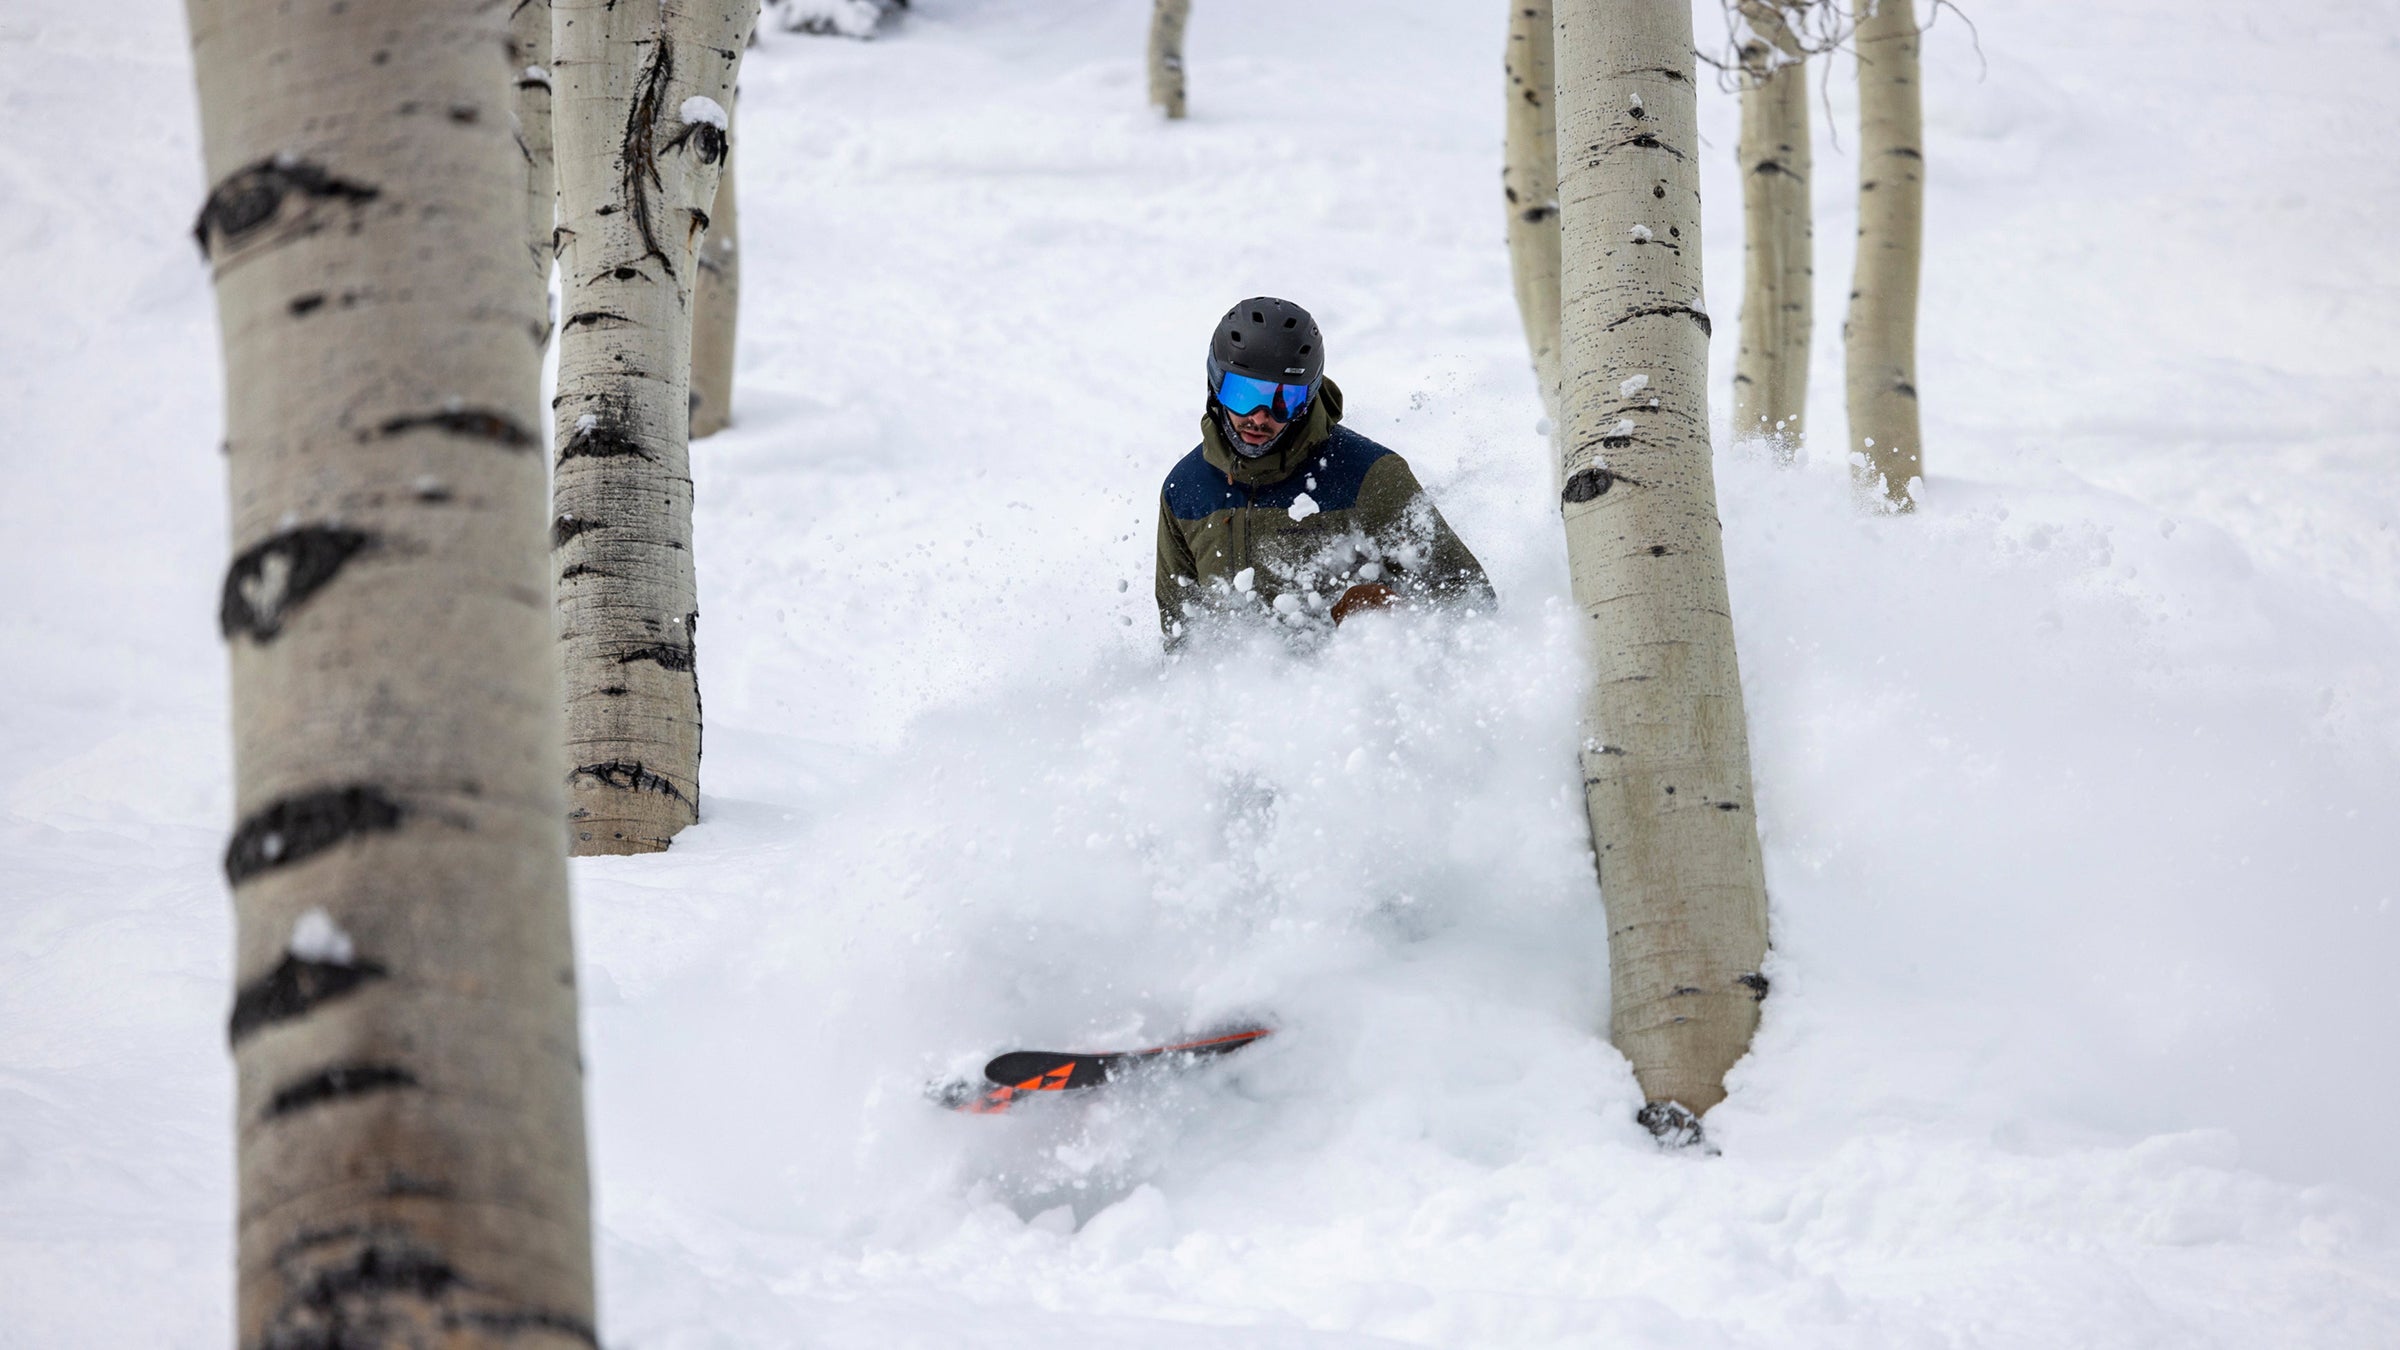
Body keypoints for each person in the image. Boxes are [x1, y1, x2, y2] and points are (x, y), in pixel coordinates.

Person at [1154, 297, 1493, 647]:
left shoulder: (1368, 477)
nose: (1259, 416)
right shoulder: (1186, 491)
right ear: (1216, 384)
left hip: (1356, 692)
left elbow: (1473, 601)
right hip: (1239, 696)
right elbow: (1182, 640)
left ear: (1309, 397)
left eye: (1282, 399)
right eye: (1242, 393)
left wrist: (1398, 616)